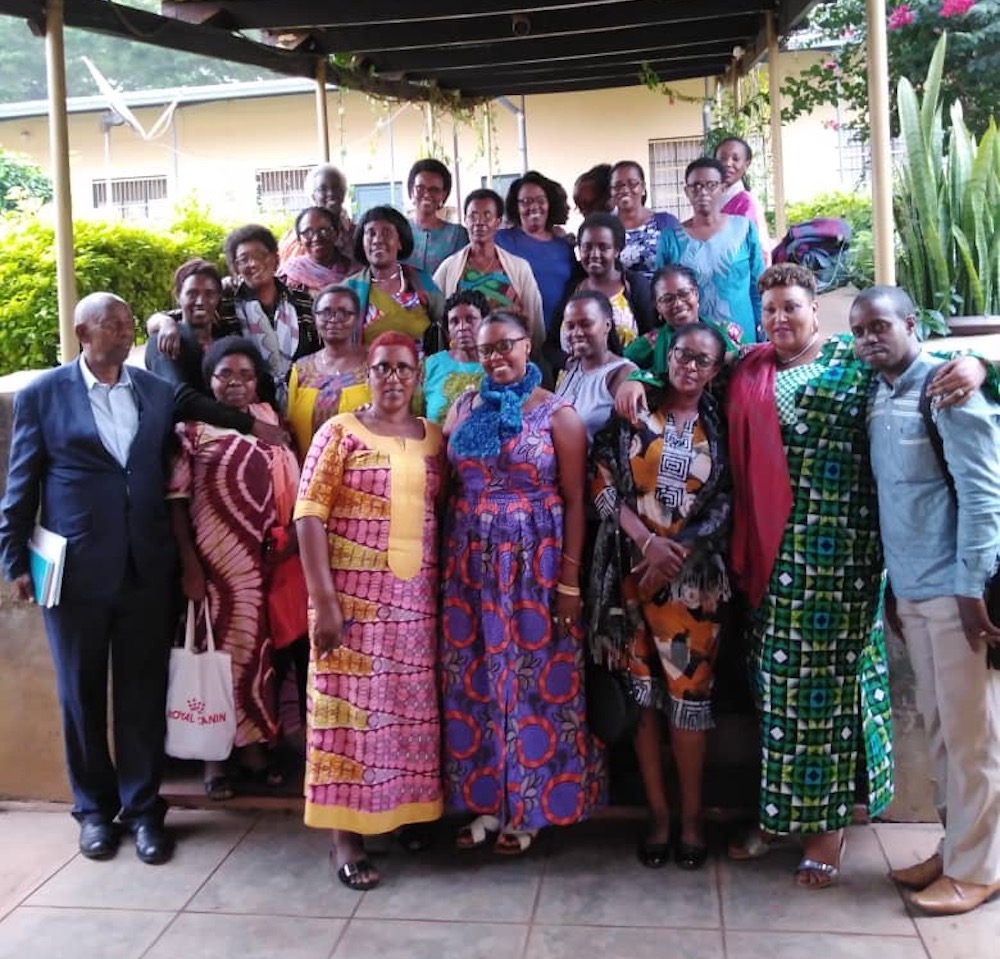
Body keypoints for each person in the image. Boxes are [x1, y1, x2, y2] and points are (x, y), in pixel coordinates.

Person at [724, 264, 989, 888]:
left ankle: (829, 824)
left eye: (792, 306)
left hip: (843, 556)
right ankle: (781, 811)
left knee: (831, 686)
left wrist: (980, 364)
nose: (780, 319)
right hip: (773, 557)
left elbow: (928, 356)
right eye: (771, 310)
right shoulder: (752, 369)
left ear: (817, 308)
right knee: (777, 685)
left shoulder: (852, 357)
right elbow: (677, 368)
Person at [0, 292, 177, 865]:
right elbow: (21, 485)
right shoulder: (43, 396)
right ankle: (95, 812)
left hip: (146, 569)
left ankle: (144, 810)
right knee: (80, 695)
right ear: (83, 331)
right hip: (73, 574)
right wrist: (13, 561)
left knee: (142, 697)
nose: (125, 332)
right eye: (113, 324)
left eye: (129, 323)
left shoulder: (155, 392)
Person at [851, 285, 1000, 916]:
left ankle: (980, 868)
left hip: (956, 593)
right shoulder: (878, 392)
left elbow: (983, 494)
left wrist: (975, 589)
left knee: (973, 737)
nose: (868, 339)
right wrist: (891, 586)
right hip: (909, 589)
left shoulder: (949, 389)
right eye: (859, 331)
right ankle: (956, 846)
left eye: (881, 326)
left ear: (913, 325)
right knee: (942, 732)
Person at [440, 309, 604, 855]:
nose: (495, 357)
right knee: (477, 681)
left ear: (527, 346)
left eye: (505, 346)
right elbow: (445, 482)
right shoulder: (465, 407)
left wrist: (570, 582)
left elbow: (579, 501)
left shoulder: (559, 415)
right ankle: (487, 803)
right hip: (470, 565)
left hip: (537, 564)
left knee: (533, 680)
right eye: (486, 349)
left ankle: (530, 808)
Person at [295, 332, 445, 891]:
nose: (393, 378)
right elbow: (308, 515)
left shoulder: (434, 439)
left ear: (418, 373)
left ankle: (404, 814)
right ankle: (345, 838)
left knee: (405, 715)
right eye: (382, 368)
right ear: (370, 373)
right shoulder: (340, 433)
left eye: (403, 368)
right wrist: (325, 601)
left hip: (414, 607)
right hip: (351, 606)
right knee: (347, 718)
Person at [590, 321, 731, 870]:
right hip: (627, 577)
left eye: (701, 360)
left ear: (715, 370)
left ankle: (692, 819)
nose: (688, 366)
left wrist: (677, 551)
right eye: (681, 355)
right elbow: (598, 479)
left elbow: (725, 499)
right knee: (642, 700)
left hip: (693, 586)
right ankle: (658, 815)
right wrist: (645, 541)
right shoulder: (634, 412)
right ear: (665, 356)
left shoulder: (718, 425)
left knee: (688, 702)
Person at [168, 337, 297, 799]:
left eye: (246, 376)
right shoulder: (190, 429)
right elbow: (178, 501)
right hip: (212, 564)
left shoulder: (269, 423)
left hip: (261, 560)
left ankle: (253, 748)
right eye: (226, 375)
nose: (237, 384)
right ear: (210, 380)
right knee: (214, 654)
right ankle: (213, 756)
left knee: (257, 655)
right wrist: (189, 564)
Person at [656, 158, 764, 344]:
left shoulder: (744, 229)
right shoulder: (670, 238)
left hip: (743, 339)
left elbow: (759, 287)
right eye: (695, 186)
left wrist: (763, 329)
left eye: (711, 185)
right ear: (687, 191)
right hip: (691, 343)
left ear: (723, 188)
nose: (703, 192)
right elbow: (661, 293)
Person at [433, 188, 544, 351]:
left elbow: (534, 318)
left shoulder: (519, 268)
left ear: (498, 222)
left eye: (487, 215)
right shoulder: (449, 267)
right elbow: (435, 314)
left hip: (508, 356)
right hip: (465, 363)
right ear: (465, 220)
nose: (479, 222)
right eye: (473, 216)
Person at [549, 212, 655, 369]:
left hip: (624, 385)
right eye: (587, 247)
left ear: (617, 250)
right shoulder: (573, 289)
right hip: (575, 387)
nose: (594, 254)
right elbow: (550, 346)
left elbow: (652, 339)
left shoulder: (634, 286)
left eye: (603, 247)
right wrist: (568, 363)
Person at [344, 205, 445, 354]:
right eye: (371, 233)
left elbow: (446, 323)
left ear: (400, 242)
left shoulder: (422, 282)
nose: (377, 240)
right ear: (362, 243)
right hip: (367, 373)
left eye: (386, 233)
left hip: (424, 373)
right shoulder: (349, 290)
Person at [286, 284, 370, 459]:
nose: (334, 319)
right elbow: (291, 430)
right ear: (314, 318)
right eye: (325, 312)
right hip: (308, 474)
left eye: (344, 312)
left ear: (356, 319)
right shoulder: (301, 369)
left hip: (360, 476)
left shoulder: (373, 366)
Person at [495, 171, 577, 340]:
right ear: (515, 206)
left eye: (541, 201)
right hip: (513, 335)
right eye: (526, 201)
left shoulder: (565, 246)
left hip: (559, 338)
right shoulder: (500, 240)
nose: (534, 207)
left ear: (550, 204)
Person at [554, 290, 635, 443]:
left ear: (607, 325)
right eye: (570, 326)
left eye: (586, 324)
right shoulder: (573, 369)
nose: (576, 333)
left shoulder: (623, 375)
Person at [422, 289, 488, 425]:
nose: (462, 327)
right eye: (454, 322)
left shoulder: (496, 365)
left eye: (470, 319)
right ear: (448, 330)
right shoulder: (431, 365)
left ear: (485, 322)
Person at [610, 160, 679, 279]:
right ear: (611, 191)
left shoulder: (666, 223)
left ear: (643, 187)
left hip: (661, 295)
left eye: (632, 183)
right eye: (618, 185)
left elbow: (680, 267)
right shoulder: (605, 228)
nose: (625, 190)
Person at [277, 164, 354, 267]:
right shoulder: (295, 238)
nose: (331, 193)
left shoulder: (356, 233)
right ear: (313, 196)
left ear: (344, 193)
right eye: (323, 189)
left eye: (336, 187)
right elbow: (292, 274)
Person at [403, 158, 469, 275]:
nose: (427, 194)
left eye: (434, 190)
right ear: (412, 191)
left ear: (443, 195)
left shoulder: (457, 235)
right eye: (420, 188)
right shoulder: (398, 230)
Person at [715, 137, 772, 264]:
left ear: (746, 165)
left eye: (735, 159)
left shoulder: (747, 204)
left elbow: (760, 254)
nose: (728, 163)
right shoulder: (710, 199)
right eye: (722, 158)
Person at [278, 206, 357, 296]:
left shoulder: (358, 275)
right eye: (307, 232)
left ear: (336, 234)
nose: (316, 238)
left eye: (324, 231)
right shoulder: (290, 275)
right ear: (299, 239)